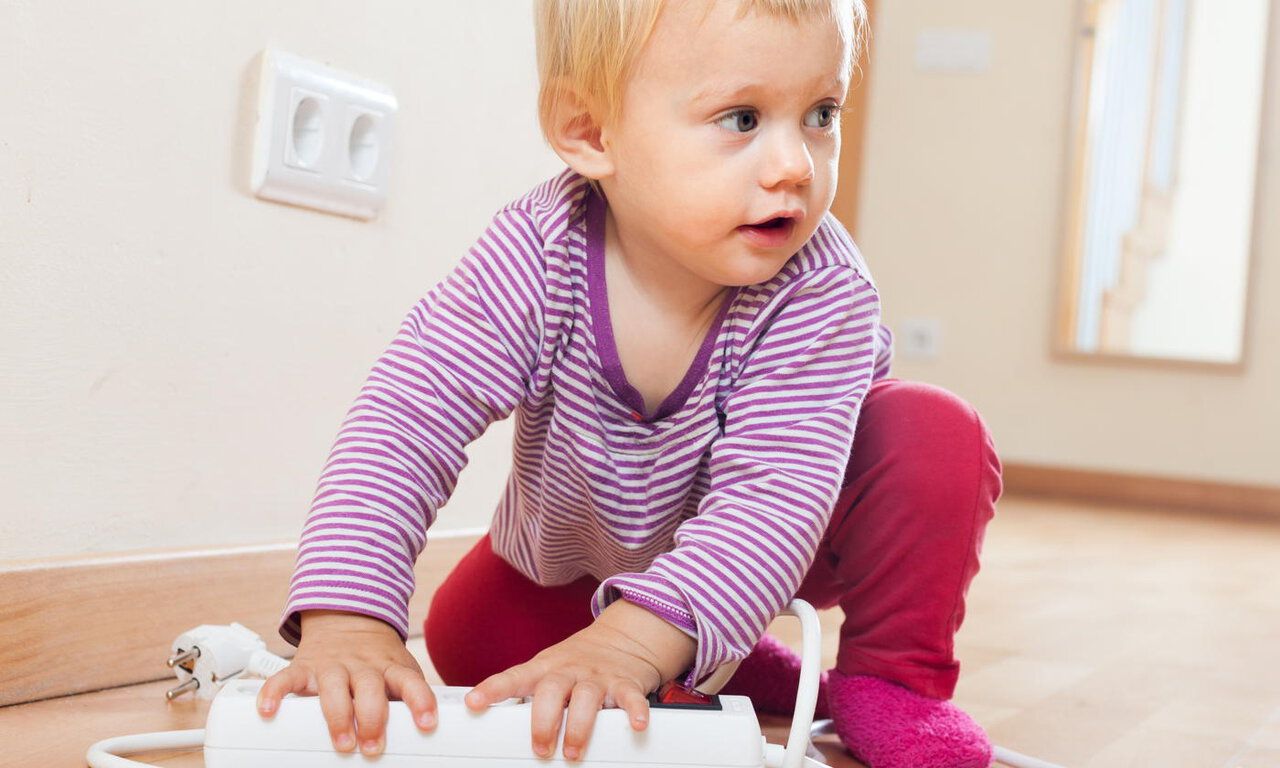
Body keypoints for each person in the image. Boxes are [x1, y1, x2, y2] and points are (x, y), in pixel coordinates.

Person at [255, 2, 1002, 767]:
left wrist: (627, 646)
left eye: (820, 113)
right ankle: (715, 656)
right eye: (743, 119)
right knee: (466, 639)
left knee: (936, 433)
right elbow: (405, 421)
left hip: (784, 539)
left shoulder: (823, 291)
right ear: (590, 132)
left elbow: (770, 504)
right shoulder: (536, 255)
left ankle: (892, 682)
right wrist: (348, 618)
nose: (796, 166)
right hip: (584, 556)